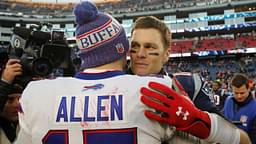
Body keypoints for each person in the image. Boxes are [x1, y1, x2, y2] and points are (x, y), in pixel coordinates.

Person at [128, 16, 251, 144]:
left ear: (166, 54)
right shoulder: (111, 88)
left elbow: (242, 140)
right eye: (135, 46)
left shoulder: (189, 86)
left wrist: (197, 120)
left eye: (149, 47)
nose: (140, 54)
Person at [224, 73, 256, 143]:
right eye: (236, 93)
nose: (239, 96)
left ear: (248, 89)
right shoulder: (228, 101)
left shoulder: (254, 108)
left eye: (242, 93)